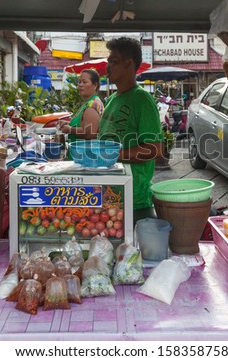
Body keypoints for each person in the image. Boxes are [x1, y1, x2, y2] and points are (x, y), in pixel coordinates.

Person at [98, 37, 163, 222]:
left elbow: (155, 149)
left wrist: (112, 155)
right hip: (107, 194)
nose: (107, 67)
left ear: (128, 64)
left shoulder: (142, 100)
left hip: (134, 200)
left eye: (113, 61)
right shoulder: (111, 100)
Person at [58, 69, 104, 141]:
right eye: (79, 82)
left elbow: (89, 133)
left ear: (95, 85)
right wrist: (68, 123)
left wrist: (70, 129)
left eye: (84, 82)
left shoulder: (92, 105)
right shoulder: (87, 103)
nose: (80, 84)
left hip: (85, 150)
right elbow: (83, 124)